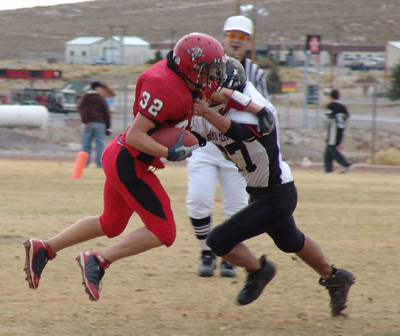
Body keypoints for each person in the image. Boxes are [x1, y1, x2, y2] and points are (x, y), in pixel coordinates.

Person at [23, 32, 230, 302]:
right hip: (129, 163)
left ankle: (44, 248)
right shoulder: (165, 87)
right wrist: (169, 151)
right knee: (164, 232)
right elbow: (135, 135)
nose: (211, 76)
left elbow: (220, 94)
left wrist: (250, 105)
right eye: (207, 69)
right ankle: (98, 260)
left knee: (111, 223)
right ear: (190, 67)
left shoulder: (187, 79)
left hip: (120, 155)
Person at [191, 57, 355, 317]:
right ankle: (335, 277)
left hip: (277, 194)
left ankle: (259, 270)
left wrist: (207, 112)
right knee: (291, 241)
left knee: (218, 240)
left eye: (213, 87)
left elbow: (241, 133)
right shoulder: (212, 107)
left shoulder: (255, 110)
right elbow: (188, 136)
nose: (206, 92)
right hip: (260, 190)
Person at [186, 14, 269, 278]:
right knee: (198, 200)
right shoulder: (206, 65)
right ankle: (206, 253)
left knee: (236, 209)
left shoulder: (256, 73)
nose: (236, 41)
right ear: (222, 37)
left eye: (242, 37)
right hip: (206, 143)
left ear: (250, 42)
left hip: (238, 147)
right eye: (232, 35)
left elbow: (262, 109)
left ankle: (230, 257)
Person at [78, 81, 112, 168]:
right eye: (100, 88)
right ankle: (99, 164)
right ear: (96, 88)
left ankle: (84, 164)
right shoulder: (100, 98)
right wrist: (108, 127)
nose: (101, 89)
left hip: (88, 124)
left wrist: (85, 121)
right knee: (100, 144)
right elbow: (106, 113)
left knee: (86, 144)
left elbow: (81, 108)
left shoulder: (85, 98)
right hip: (100, 123)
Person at [324, 89, 352, 173]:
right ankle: (328, 169)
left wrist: (324, 128)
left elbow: (328, 118)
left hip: (334, 130)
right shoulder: (343, 107)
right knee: (328, 149)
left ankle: (346, 164)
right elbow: (347, 117)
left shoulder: (331, 105)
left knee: (331, 148)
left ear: (331, 96)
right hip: (341, 129)